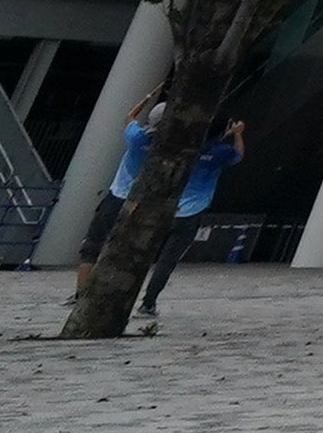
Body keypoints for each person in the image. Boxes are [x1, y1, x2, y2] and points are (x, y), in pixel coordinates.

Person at [124, 116, 245, 334]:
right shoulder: (220, 152)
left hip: (166, 206)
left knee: (142, 251)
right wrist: (237, 134)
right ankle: (148, 302)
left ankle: (123, 293)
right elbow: (238, 155)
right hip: (192, 212)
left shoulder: (185, 149)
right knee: (166, 260)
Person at [75, 95, 164, 307]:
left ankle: (81, 294)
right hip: (142, 204)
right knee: (129, 250)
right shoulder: (167, 150)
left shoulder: (137, 138)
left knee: (92, 245)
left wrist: (146, 99)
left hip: (116, 198)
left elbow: (130, 116)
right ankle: (114, 296)